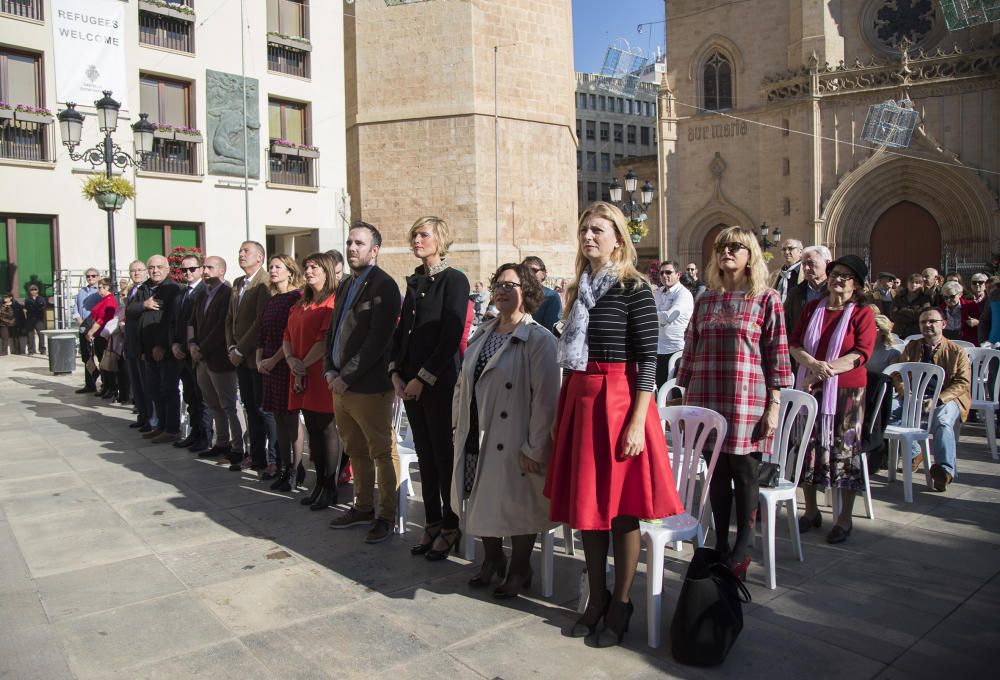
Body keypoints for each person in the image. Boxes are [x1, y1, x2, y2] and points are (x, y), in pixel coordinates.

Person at [545, 202, 683, 647]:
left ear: (618, 239)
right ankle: (597, 598)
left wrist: (639, 421)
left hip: (621, 401)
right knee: (588, 509)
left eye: (598, 230)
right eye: (584, 229)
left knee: (622, 510)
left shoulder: (634, 289)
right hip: (581, 399)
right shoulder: (577, 289)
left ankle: (622, 601)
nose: (589, 237)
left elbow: (648, 363)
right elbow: (570, 357)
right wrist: (560, 411)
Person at [676, 225, 793, 580]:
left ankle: (743, 546)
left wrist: (773, 405)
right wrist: (684, 402)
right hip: (707, 395)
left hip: (747, 399)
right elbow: (690, 349)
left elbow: (777, 355)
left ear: (750, 255)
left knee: (744, 473)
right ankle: (721, 545)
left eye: (736, 246)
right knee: (716, 474)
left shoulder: (766, 298)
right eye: (722, 246)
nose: (727, 251)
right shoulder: (705, 298)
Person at [453, 262, 560, 597]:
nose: (501, 290)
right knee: (479, 495)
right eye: (497, 285)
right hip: (476, 429)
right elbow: (464, 381)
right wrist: (456, 423)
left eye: (510, 285)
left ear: (526, 292)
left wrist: (535, 447)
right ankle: (492, 559)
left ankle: (520, 567)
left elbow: (547, 399)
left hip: (514, 436)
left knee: (518, 504)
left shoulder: (539, 340)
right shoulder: (483, 332)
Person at [391, 216, 471, 560]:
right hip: (408, 381)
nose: (416, 240)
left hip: (437, 381)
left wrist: (422, 379)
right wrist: (395, 371)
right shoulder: (416, 280)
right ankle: (433, 521)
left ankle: (451, 524)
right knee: (424, 455)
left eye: (423, 235)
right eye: (414, 235)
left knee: (442, 455)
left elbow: (449, 336)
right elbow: (403, 330)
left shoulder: (454, 280)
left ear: (441, 238)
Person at [789, 255, 876, 544]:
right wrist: (813, 366)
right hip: (810, 387)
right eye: (835, 273)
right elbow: (795, 343)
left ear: (857, 285)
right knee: (807, 448)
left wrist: (823, 371)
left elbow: (861, 353)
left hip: (847, 392)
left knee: (844, 451)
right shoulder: (813, 308)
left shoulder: (862, 313)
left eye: (846, 276)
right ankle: (811, 511)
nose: (838, 279)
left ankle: (844, 518)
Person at [326, 223, 403, 543]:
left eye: (359, 243)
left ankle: (386, 515)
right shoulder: (346, 284)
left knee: (381, 451)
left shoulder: (384, 286)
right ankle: (362, 506)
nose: (352, 247)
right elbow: (334, 329)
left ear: (375, 250)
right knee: (355, 449)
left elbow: (377, 341)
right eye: (349, 242)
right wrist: (329, 369)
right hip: (340, 384)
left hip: (368, 386)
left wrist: (346, 376)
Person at [284, 252, 342, 511]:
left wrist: (302, 365)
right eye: (306, 267)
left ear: (327, 271)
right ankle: (318, 485)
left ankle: (330, 487)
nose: (308, 271)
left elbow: (324, 341)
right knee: (312, 433)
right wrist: (291, 362)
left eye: (314, 267)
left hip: (319, 374)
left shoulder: (332, 302)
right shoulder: (300, 303)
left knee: (327, 430)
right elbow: (286, 334)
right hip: (300, 373)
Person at [894, 308, 971, 491]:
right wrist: (905, 392)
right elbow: (897, 373)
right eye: (923, 322)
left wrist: (939, 399)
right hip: (914, 396)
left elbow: (962, 382)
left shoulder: (956, 351)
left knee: (942, 422)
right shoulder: (912, 347)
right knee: (886, 411)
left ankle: (944, 471)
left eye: (932, 321)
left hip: (946, 398)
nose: (927, 325)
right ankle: (915, 452)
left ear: (943, 324)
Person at [189, 257, 243, 465]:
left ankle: (238, 447)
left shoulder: (227, 294)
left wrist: (202, 349)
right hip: (201, 359)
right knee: (213, 404)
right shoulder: (202, 295)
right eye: (204, 267)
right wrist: (192, 345)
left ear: (222, 270)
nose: (205, 270)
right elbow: (192, 322)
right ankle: (221, 443)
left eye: (209, 267)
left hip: (220, 359)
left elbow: (223, 327)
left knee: (229, 405)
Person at [226, 241, 275, 470]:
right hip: (238, 356)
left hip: (254, 356)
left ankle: (274, 459)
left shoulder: (264, 282)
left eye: (246, 251)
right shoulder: (238, 283)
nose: (241, 254)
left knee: (262, 409)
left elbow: (260, 321)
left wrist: (240, 349)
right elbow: (229, 320)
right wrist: (230, 347)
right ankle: (256, 457)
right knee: (248, 406)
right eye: (240, 250)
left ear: (260, 258)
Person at [257, 254, 305, 489]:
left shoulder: (296, 297)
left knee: (290, 418)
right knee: (277, 418)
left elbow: (292, 335)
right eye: (271, 267)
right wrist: (260, 360)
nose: (273, 270)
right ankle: (285, 467)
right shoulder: (271, 299)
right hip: (270, 366)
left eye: (278, 267)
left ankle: (296, 469)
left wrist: (274, 360)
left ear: (290, 271)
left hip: (286, 363)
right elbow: (263, 333)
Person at [138, 255, 184, 444]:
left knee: (168, 390)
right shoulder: (145, 288)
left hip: (164, 350)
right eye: (151, 267)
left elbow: (168, 320)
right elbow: (133, 312)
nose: (155, 270)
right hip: (148, 350)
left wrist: (161, 345)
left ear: (167, 269)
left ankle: (172, 429)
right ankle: (161, 425)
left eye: (159, 267)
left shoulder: (171, 289)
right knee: (154, 390)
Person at [171, 254, 212, 454]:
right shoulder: (180, 294)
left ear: (200, 269)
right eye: (183, 270)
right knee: (190, 397)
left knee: (202, 398)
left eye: (192, 269)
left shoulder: (205, 292)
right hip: (181, 355)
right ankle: (195, 433)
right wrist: (174, 345)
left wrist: (193, 347)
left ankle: (205, 436)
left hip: (197, 354)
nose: (187, 273)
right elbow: (174, 323)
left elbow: (201, 325)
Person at [653, 260, 693, 386]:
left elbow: (669, 317)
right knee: (659, 390)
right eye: (662, 273)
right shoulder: (658, 292)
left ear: (678, 275)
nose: (665, 276)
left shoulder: (683, 294)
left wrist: (650, 317)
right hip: (658, 350)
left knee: (673, 392)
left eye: (668, 272)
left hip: (675, 350)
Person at [123, 261, 153, 429]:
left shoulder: (147, 289)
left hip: (142, 345)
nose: (136, 273)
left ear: (146, 272)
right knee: (136, 383)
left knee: (145, 383)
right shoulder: (131, 290)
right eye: (133, 271)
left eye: (140, 270)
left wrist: (141, 306)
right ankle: (142, 414)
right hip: (131, 343)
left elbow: (137, 311)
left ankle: (150, 418)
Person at [83, 279, 119, 398]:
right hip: (99, 335)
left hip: (103, 335)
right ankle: (106, 386)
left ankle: (111, 387)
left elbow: (102, 319)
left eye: (100, 287)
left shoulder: (109, 301)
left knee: (106, 362)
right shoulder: (104, 300)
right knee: (102, 362)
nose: (98, 290)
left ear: (107, 287)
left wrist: (91, 332)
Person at [784, 245, 830, 335]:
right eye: (804, 264)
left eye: (811, 263)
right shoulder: (795, 293)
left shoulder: (836, 292)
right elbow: (786, 324)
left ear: (827, 263)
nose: (806, 268)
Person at [74, 269, 101, 393]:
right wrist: (80, 321)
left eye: (93, 276)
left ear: (98, 276)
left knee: (100, 356)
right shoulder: (81, 291)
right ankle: (90, 384)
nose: (90, 278)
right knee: (86, 356)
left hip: (96, 327)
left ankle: (106, 384)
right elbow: (75, 308)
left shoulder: (100, 292)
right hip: (83, 326)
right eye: (88, 276)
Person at [522, 256, 563, 334]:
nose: (529, 274)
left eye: (534, 270)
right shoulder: (515, 293)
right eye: (525, 270)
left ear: (543, 274)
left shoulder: (551, 296)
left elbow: (550, 328)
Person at [890, 273, 934, 339]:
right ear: (907, 283)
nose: (914, 285)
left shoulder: (925, 298)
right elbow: (893, 314)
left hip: (917, 332)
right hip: (899, 331)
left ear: (921, 285)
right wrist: (911, 317)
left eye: (917, 283)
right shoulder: (899, 296)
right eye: (911, 282)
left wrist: (903, 310)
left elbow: (922, 315)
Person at [774, 238, 804, 302]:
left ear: (800, 252)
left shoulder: (805, 273)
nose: (786, 252)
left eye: (790, 249)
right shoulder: (775, 275)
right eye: (784, 249)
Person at [23, 284, 46, 355]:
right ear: (29, 291)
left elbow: (41, 307)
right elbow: (27, 308)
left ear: (38, 290)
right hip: (30, 319)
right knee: (30, 335)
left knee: (41, 334)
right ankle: (31, 350)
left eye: (35, 289)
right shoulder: (27, 300)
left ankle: (42, 349)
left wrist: (36, 304)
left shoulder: (41, 298)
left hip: (39, 319)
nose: (33, 291)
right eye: (32, 290)